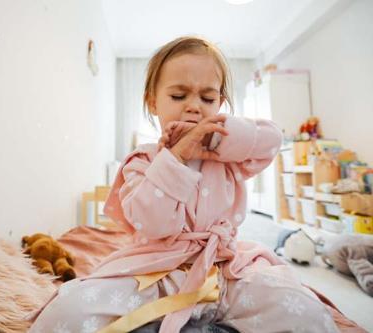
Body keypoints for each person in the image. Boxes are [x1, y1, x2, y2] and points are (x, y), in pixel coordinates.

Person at [29, 36, 339, 333]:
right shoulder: (143, 160)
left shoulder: (229, 153)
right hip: (155, 274)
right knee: (69, 312)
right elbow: (153, 223)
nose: (194, 106)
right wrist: (176, 157)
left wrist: (217, 139)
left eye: (207, 98)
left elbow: (272, 140)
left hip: (226, 272)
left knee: (307, 312)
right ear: (152, 102)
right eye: (178, 96)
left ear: (220, 103)